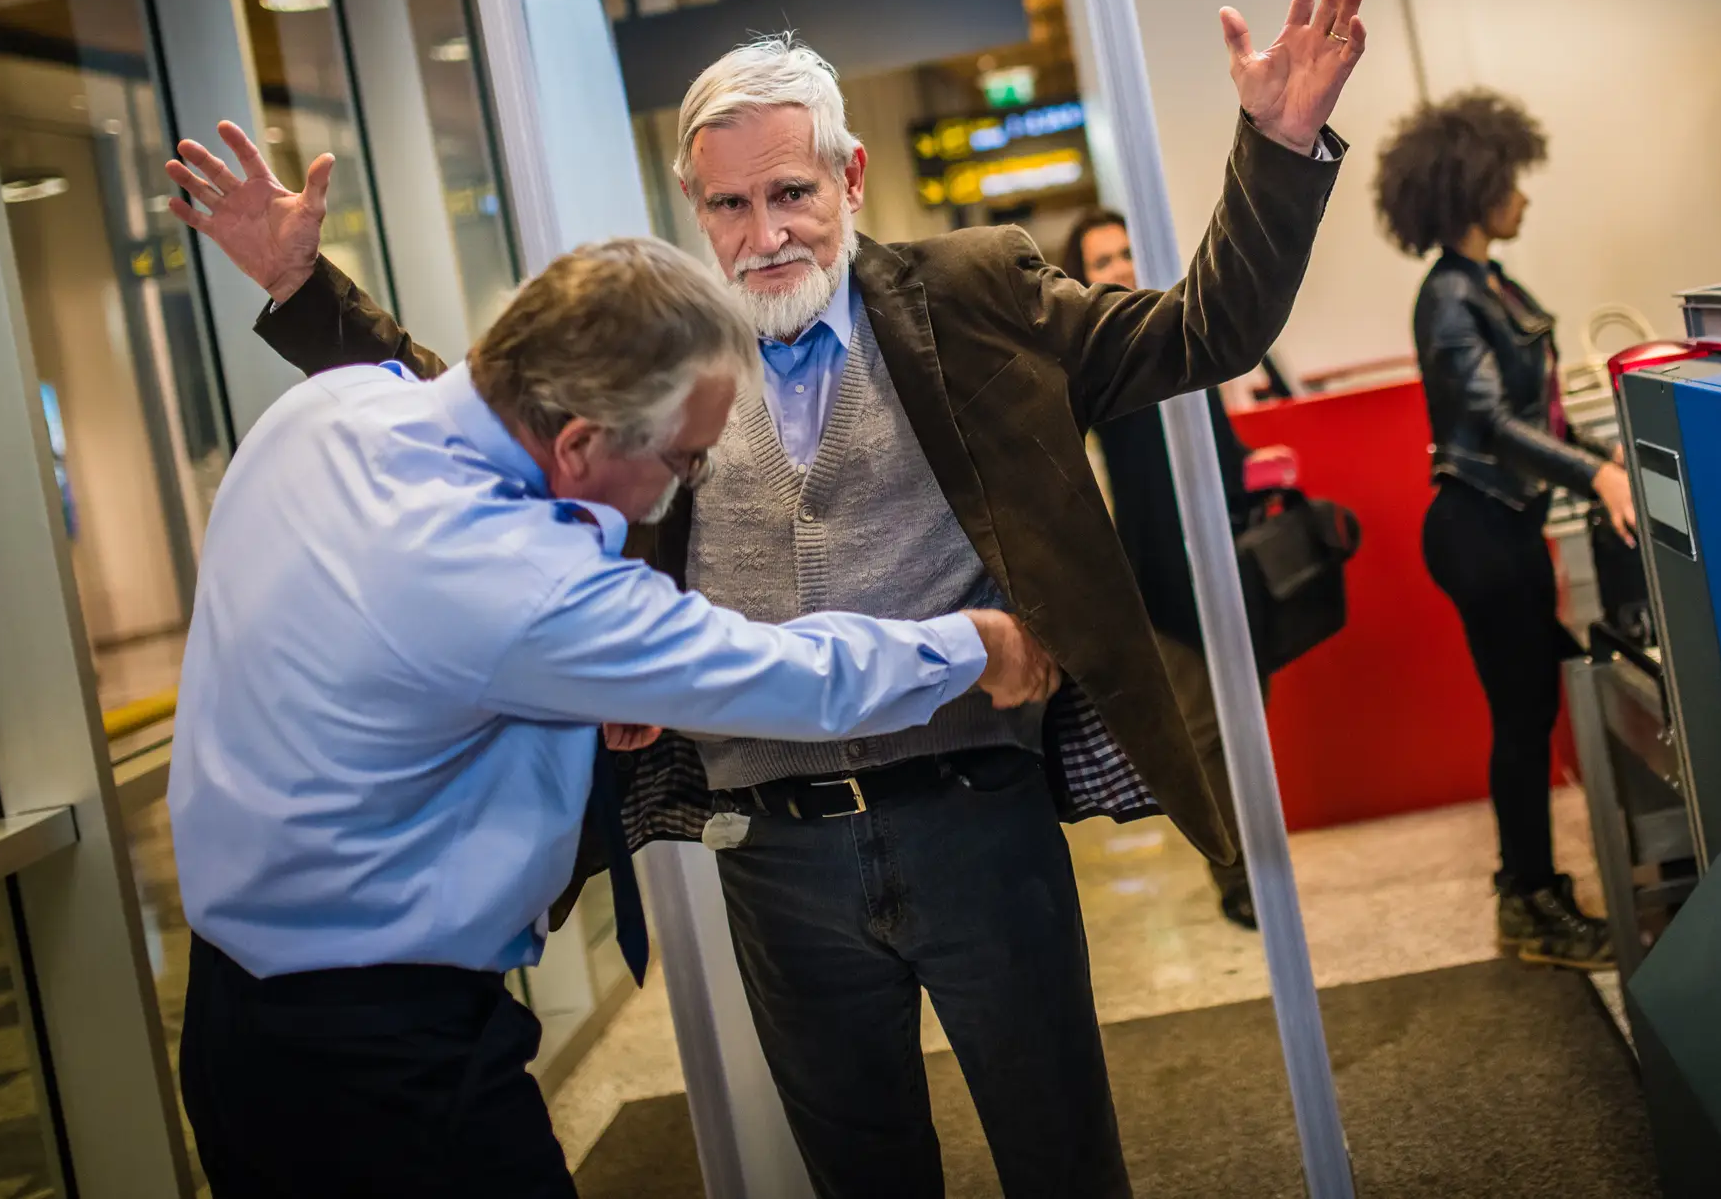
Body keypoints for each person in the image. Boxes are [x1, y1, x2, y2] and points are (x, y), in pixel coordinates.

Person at [181, 0, 1367, 1199]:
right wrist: (304, 291)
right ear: (695, 208)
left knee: (1060, 1154)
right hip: (774, 850)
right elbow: (492, 408)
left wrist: (1279, 147)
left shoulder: (972, 295)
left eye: (792, 192)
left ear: (850, 176)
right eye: (730, 206)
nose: (765, 235)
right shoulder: (670, 358)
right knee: (860, 1173)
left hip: (976, 815)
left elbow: (1201, 331)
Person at [164, 226, 1059, 1199]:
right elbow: (788, 673)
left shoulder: (325, 410)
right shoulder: (524, 581)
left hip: (232, 1022)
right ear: (580, 443)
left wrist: (570, 700)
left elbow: (387, 666)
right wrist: (976, 644)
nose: (686, 487)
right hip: (382, 1065)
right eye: (688, 461)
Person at [1372, 90, 1636, 971]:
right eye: (1509, 181)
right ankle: (1527, 901)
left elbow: (1539, 415)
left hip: (1504, 525)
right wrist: (1595, 475)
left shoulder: (1489, 285)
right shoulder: (1450, 297)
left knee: (1531, 708)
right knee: (1522, 720)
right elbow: (1490, 424)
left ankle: (1529, 890)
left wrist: (1602, 454)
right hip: (1477, 531)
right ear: (1472, 189)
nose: (1522, 196)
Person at [1066, 208, 1261, 929]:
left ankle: (1262, 860)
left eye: (1125, 251)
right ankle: (1235, 875)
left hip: (1225, 562)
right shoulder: (1090, 363)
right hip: (1156, 579)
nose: (1118, 267)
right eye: (1101, 260)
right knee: (1203, 732)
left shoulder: (1183, 331)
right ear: (1079, 278)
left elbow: (1220, 444)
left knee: (1247, 722)